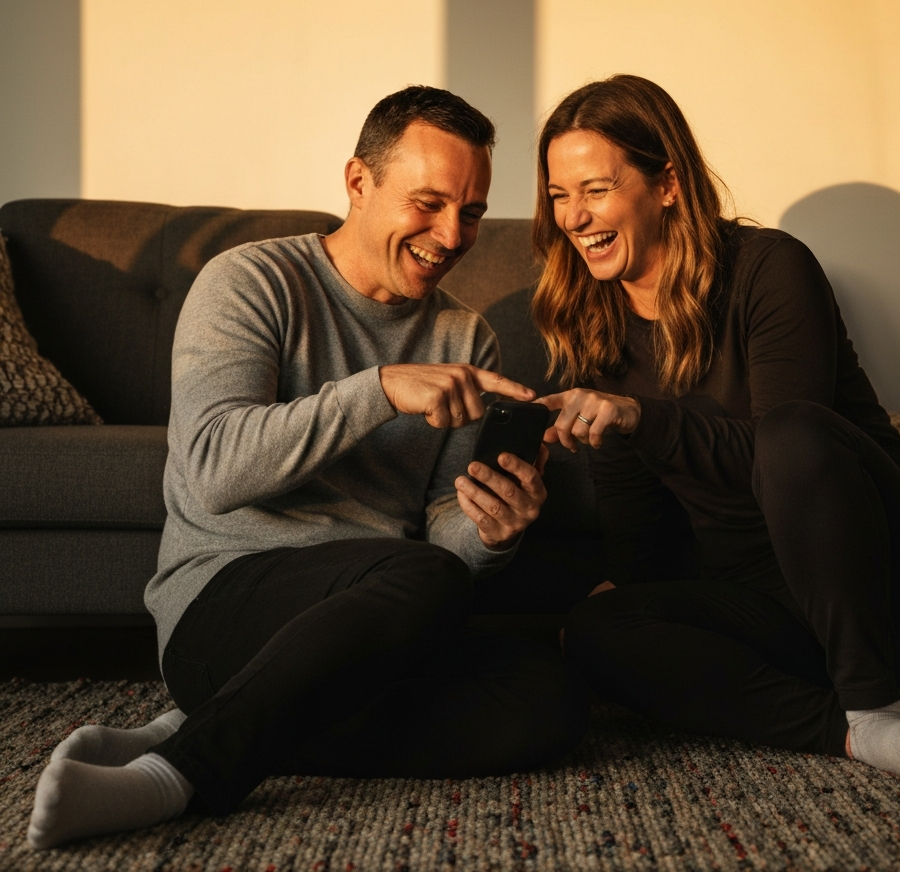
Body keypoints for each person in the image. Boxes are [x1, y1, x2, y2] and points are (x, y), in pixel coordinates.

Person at [28, 86, 586, 850]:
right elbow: (215, 469)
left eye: (472, 212)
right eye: (428, 203)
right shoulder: (249, 281)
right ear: (358, 181)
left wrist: (491, 531)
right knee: (422, 577)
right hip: (225, 606)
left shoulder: (464, 337)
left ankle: (205, 722)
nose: (452, 234)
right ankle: (179, 775)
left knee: (551, 698)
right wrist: (379, 390)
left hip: (370, 625)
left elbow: (443, 538)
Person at [533, 74, 900, 787]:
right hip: (779, 613)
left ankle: (872, 698)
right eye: (559, 195)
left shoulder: (769, 267)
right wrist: (626, 598)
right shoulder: (595, 322)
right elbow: (637, 518)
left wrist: (641, 416)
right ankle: (860, 732)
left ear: (668, 184)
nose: (573, 216)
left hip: (898, 590)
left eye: (595, 189)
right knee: (596, 631)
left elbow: (785, 456)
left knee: (791, 434)